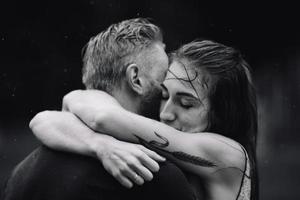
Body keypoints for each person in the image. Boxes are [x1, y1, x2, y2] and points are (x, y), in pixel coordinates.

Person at [29, 40, 258, 200]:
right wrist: (99, 145)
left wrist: (76, 98)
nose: (166, 113)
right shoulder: (177, 145)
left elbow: (101, 117)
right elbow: (43, 121)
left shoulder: (228, 154)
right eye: (164, 96)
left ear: (223, 111)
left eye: (186, 103)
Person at [3, 18, 196, 200]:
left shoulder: (22, 172)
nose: (167, 89)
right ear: (136, 79)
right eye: (163, 77)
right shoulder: (152, 172)